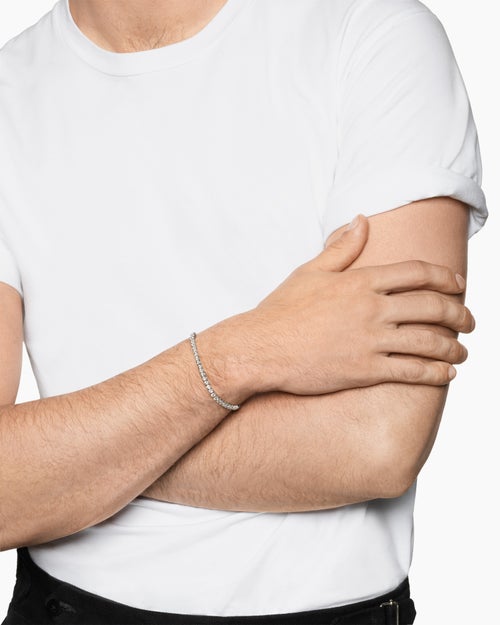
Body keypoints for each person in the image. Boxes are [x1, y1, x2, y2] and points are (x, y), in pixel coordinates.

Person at [0, 0, 488, 623]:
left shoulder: (373, 32)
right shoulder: (11, 92)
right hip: (62, 607)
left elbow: (377, 440)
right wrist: (244, 352)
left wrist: (63, 462)